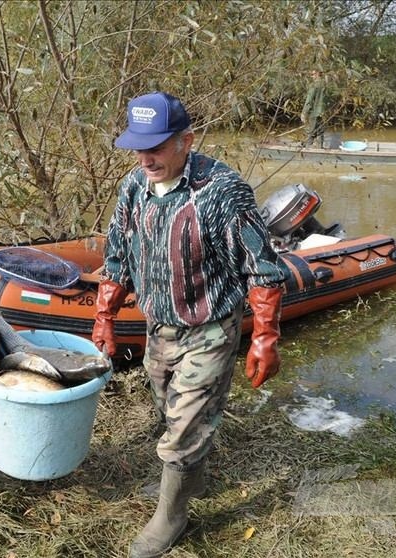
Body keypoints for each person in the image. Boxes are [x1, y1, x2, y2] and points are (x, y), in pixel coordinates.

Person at [92, 92, 290, 558]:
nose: (147, 158)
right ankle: (187, 480)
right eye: (139, 147)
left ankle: (172, 516)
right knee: (170, 409)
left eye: (157, 146)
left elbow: (262, 269)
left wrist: (264, 338)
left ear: (186, 140)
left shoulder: (222, 191)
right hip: (158, 326)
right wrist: (104, 317)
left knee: (182, 429)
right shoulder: (133, 188)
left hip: (210, 328)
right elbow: (118, 256)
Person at [301, 70, 327, 147]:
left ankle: (306, 149)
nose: (311, 76)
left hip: (314, 112)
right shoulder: (325, 84)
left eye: (312, 74)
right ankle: (320, 149)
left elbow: (309, 100)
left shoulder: (314, 85)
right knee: (320, 132)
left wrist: (304, 112)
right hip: (323, 113)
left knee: (310, 131)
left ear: (317, 74)